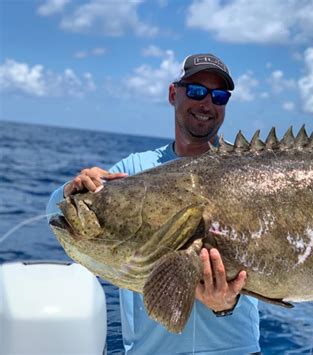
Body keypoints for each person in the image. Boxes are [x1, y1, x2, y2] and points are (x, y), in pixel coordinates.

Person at [47, 53, 261, 354]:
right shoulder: (135, 169)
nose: (207, 104)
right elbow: (53, 213)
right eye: (197, 91)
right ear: (174, 94)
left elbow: (264, 271)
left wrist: (228, 303)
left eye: (219, 96)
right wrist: (72, 189)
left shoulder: (243, 176)